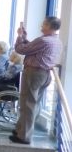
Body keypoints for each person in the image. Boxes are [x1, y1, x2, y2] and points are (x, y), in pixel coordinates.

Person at [11, 16, 63, 144]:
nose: (41, 26)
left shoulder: (43, 40)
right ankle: (20, 129)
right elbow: (33, 48)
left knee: (27, 104)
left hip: (34, 73)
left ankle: (24, 136)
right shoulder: (57, 41)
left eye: (44, 24)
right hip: (45, 75)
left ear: (50, 26)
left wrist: (19, 36)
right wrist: (24, 38)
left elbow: (21, 49)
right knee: (33, 104)